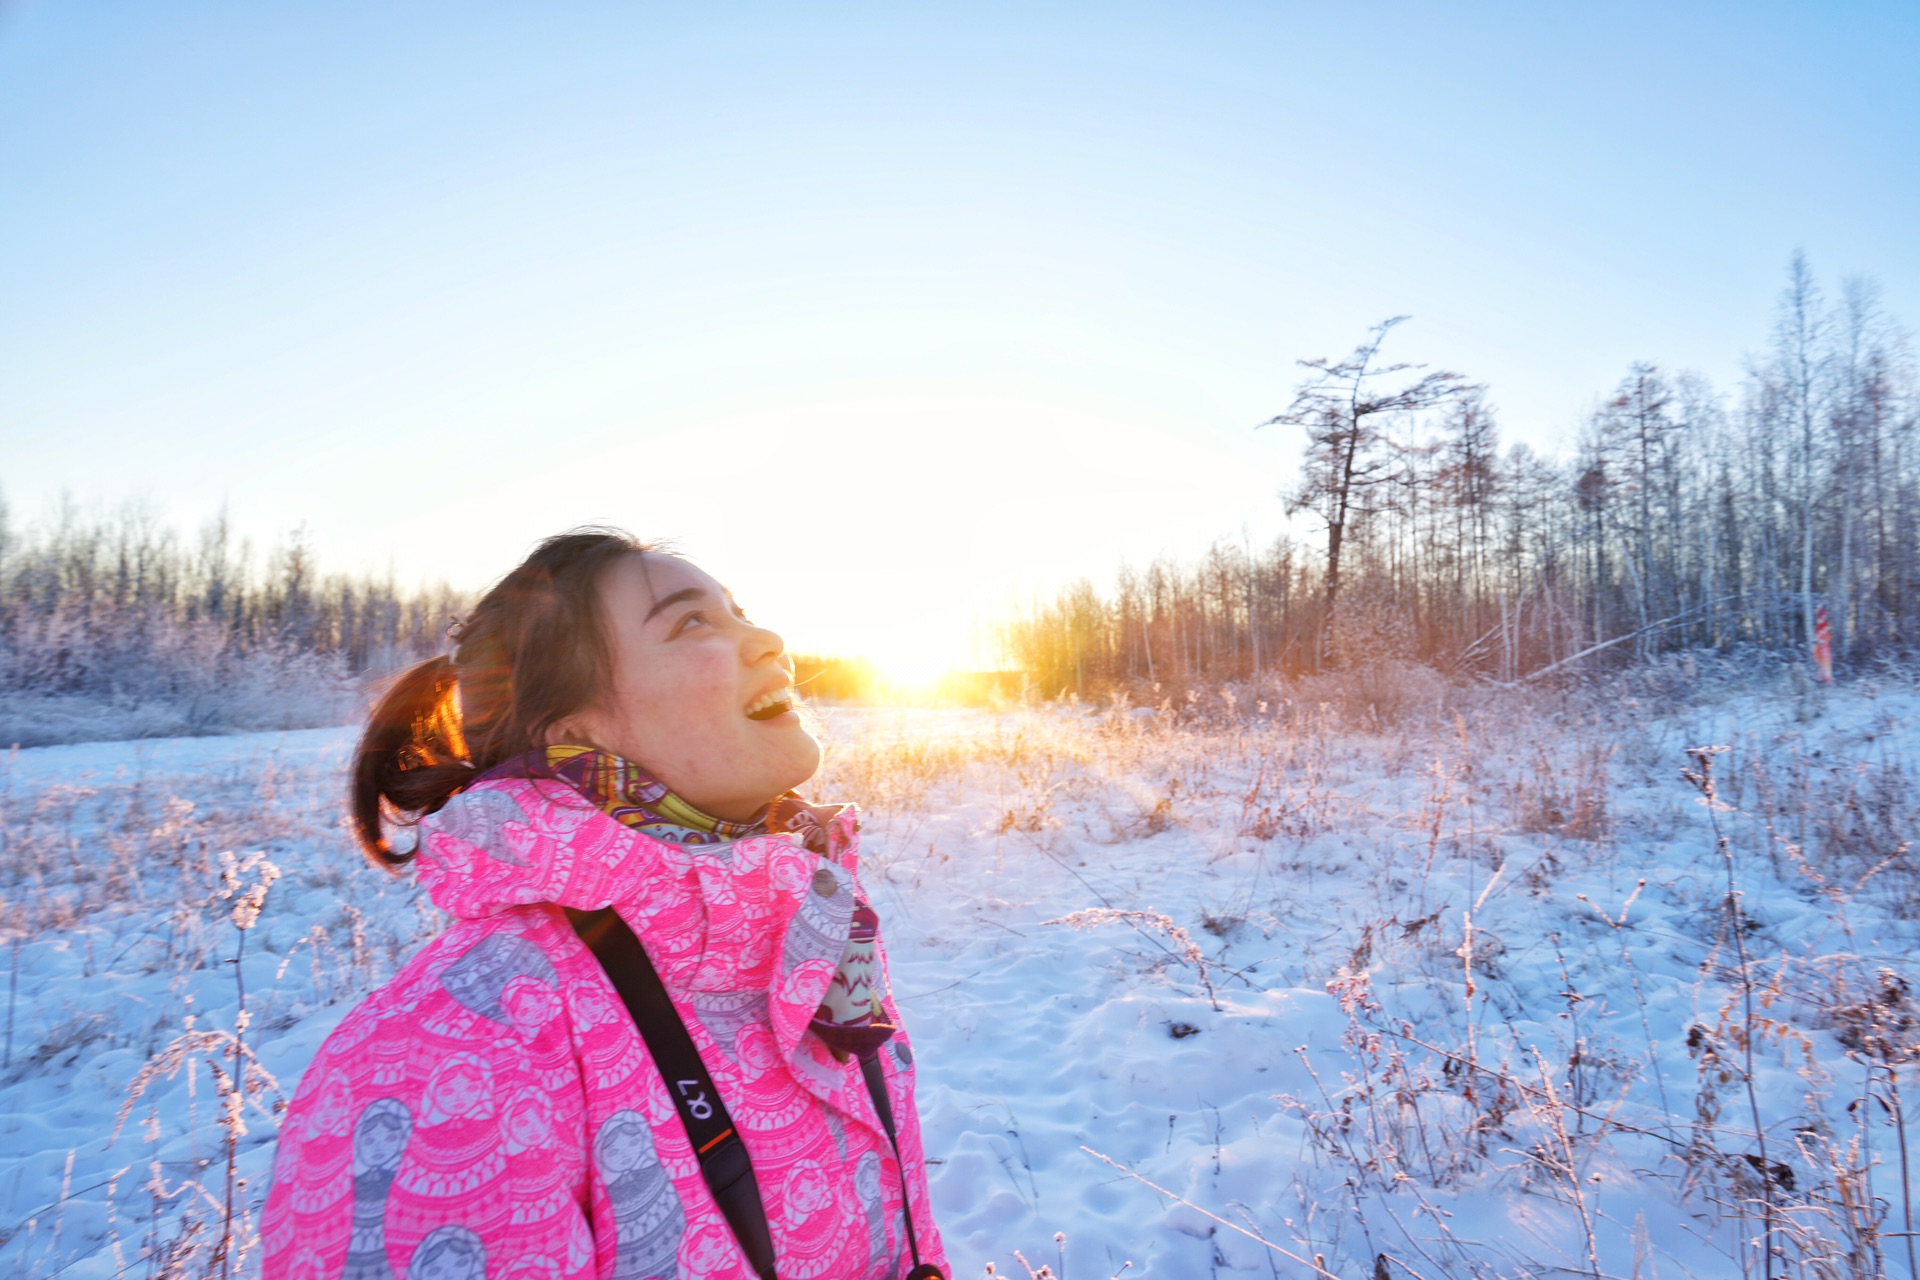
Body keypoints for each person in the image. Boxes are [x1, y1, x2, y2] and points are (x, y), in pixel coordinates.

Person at [261, 529, 947, 1280]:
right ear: (576, 734)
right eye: (691, 622)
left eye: (739, 610)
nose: (769, 639)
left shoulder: (811, 936)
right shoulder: (447, 1057)